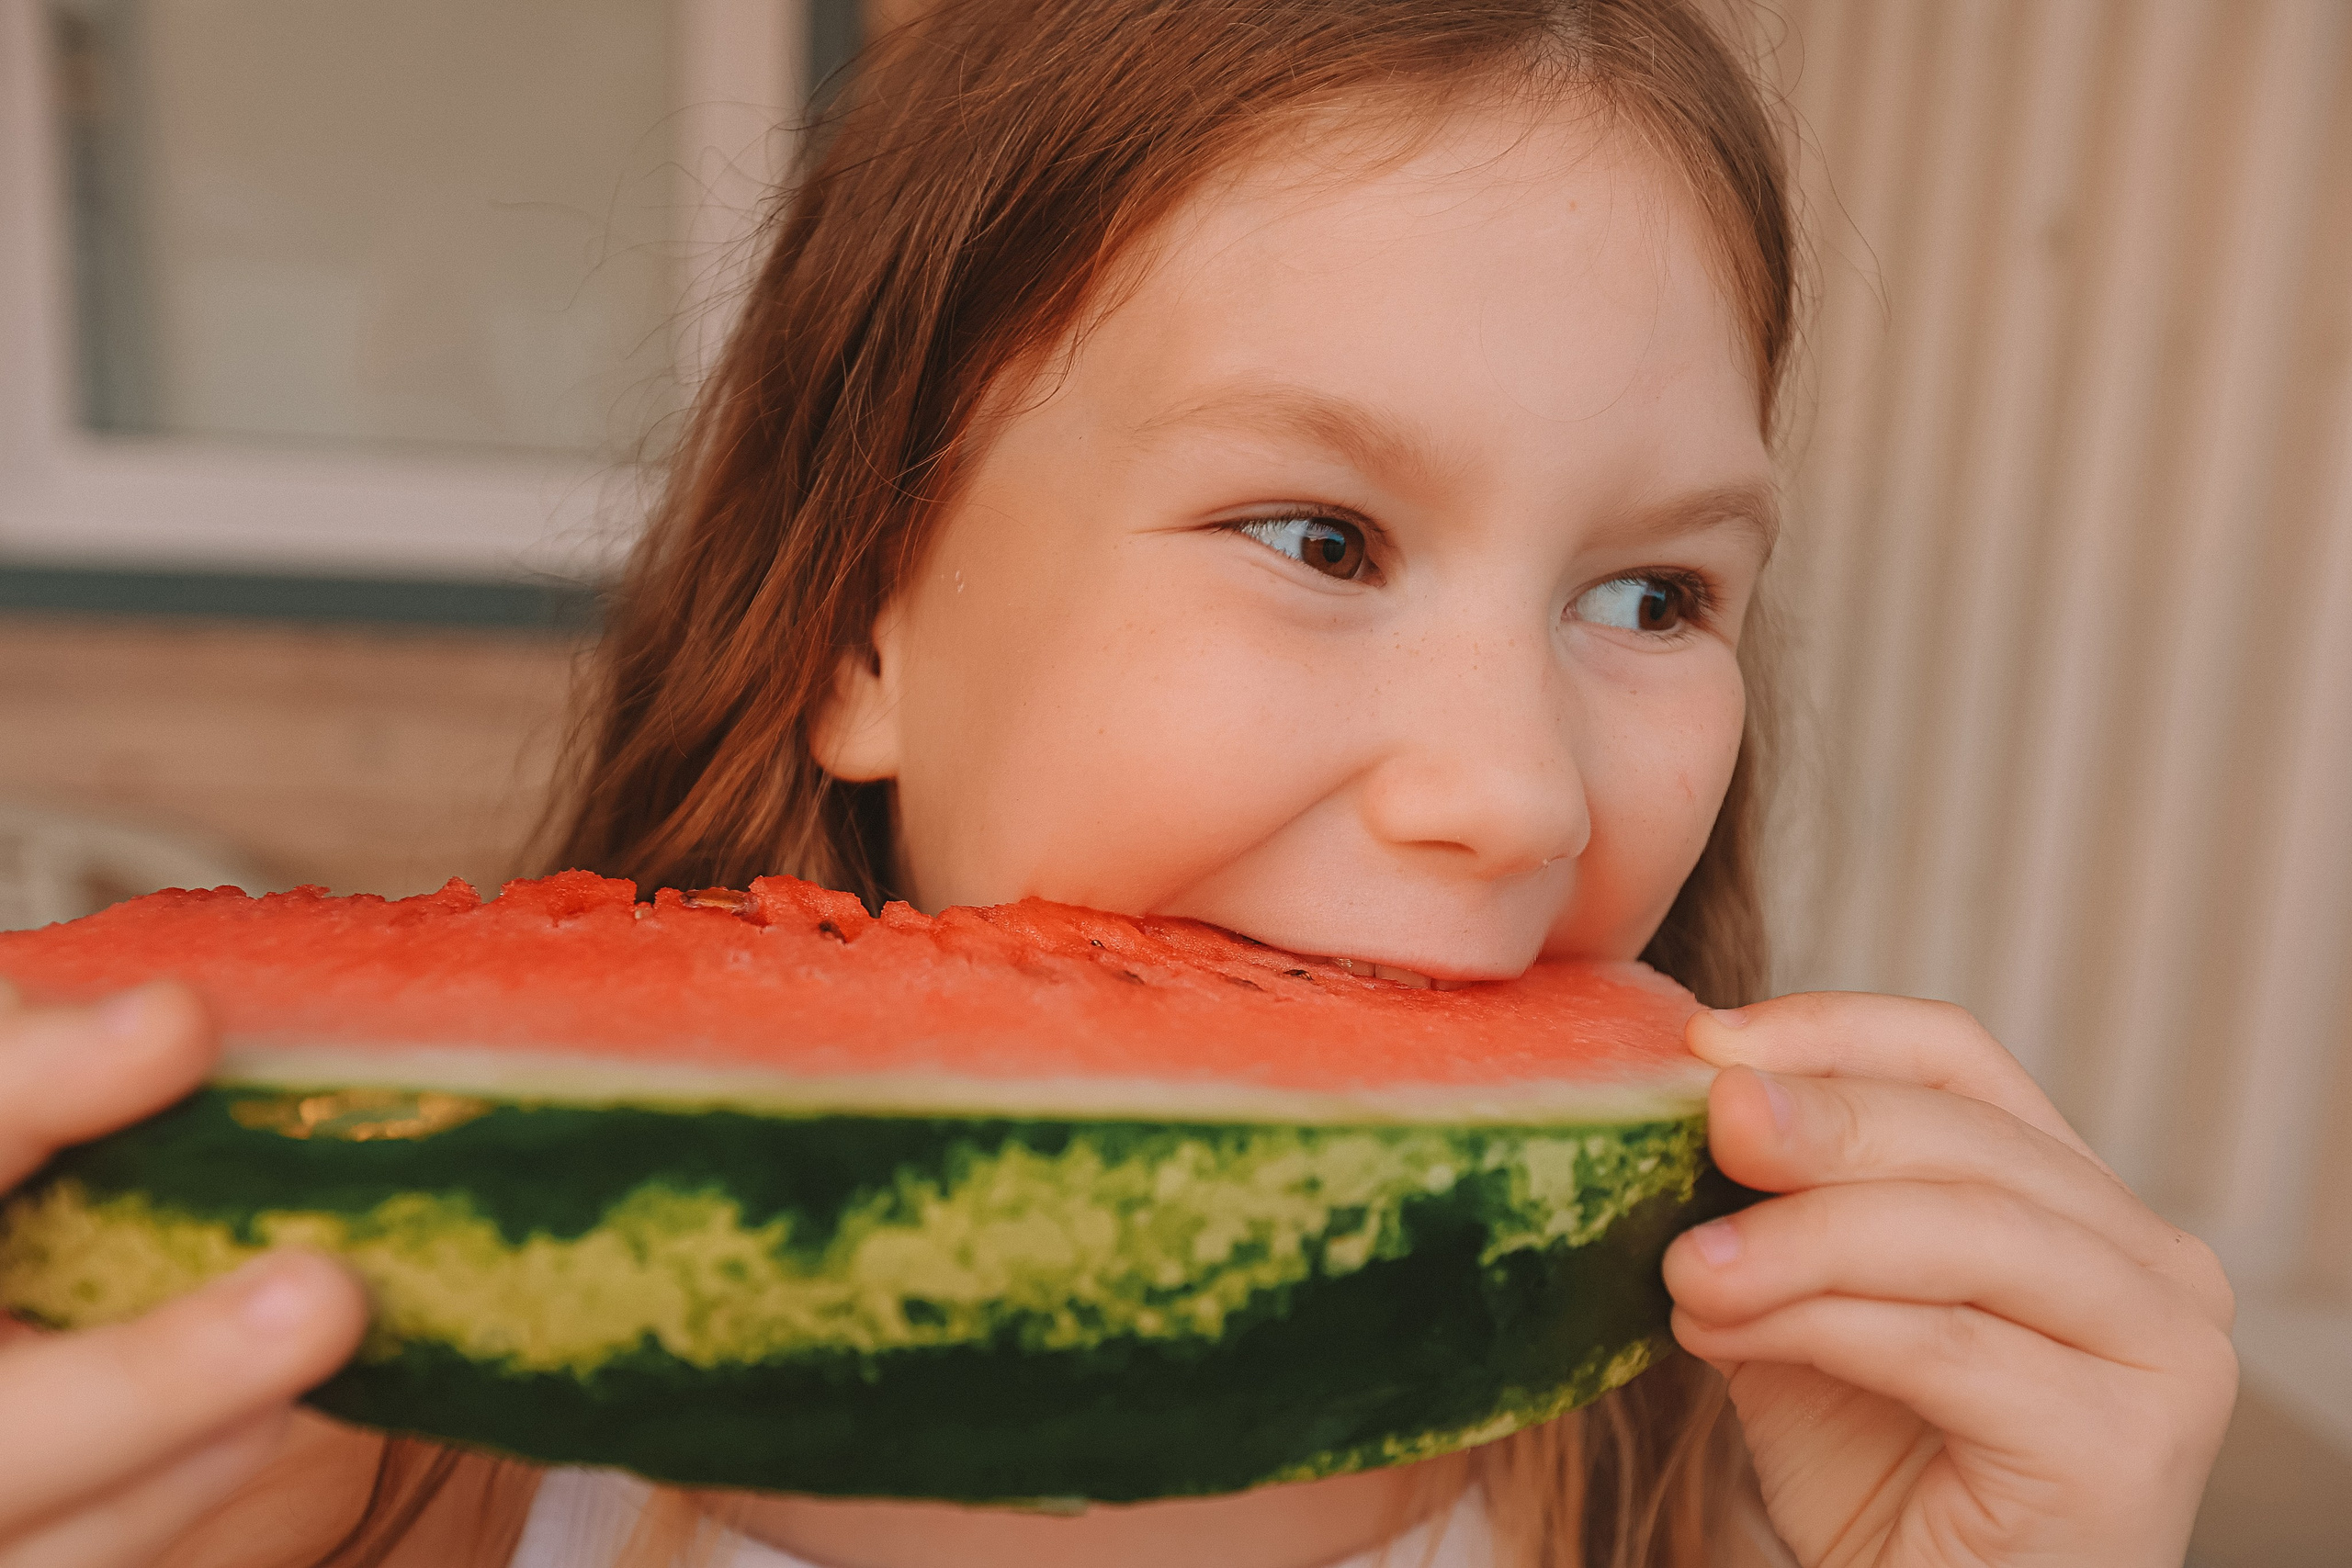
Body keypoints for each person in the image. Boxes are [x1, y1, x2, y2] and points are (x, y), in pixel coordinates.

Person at [0, 1, 2239, 1564]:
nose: (1514, 796)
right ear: (858, 622)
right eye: (1317, 537)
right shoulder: (330, 1464)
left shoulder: (1752, 1504)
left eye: (1654, 593)